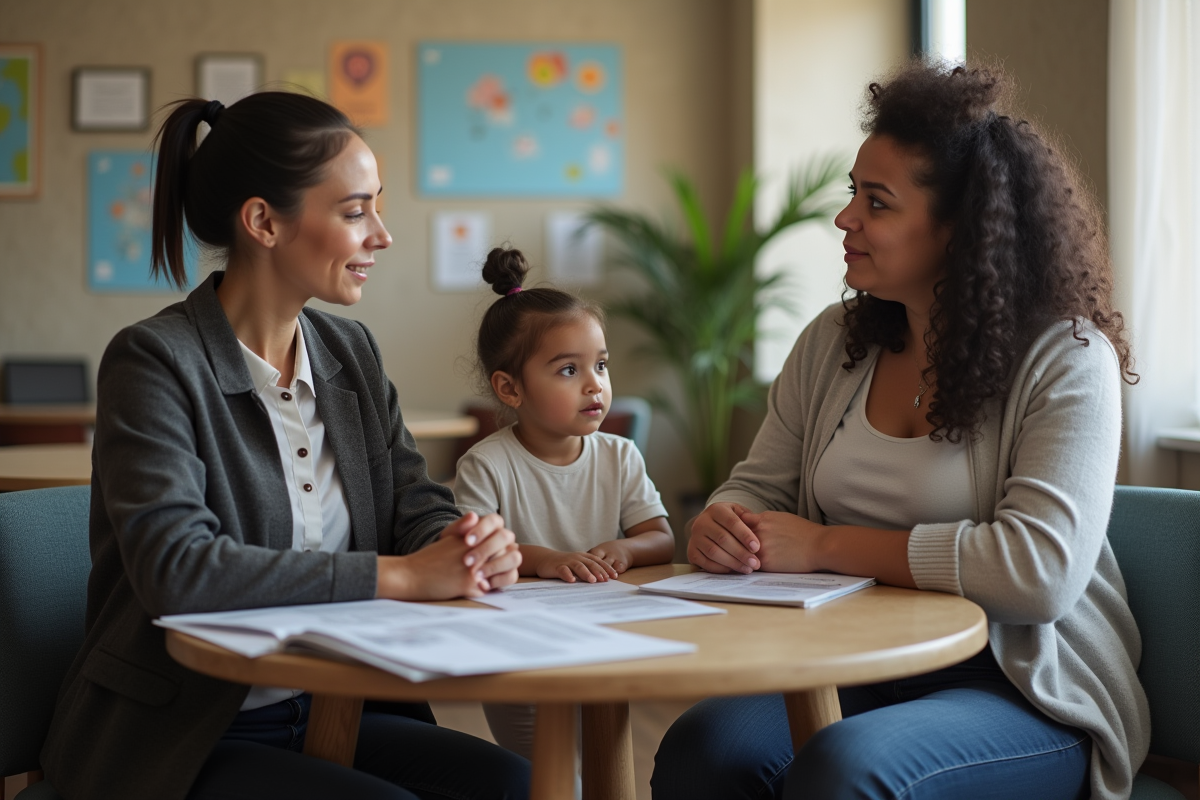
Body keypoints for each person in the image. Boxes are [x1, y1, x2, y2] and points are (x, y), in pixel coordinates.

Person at [651, 62, 1150, 800]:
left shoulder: (1069, 360)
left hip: (1022, 685)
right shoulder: (832, 341)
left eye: (875, 202)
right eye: (853, 192)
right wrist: (721, 525)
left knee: (848, 769)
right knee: (704, 748)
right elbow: (756, 490)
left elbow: (1036, 573)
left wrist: (822, 545)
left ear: (962, 231)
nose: (845, 218)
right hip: (853, 663)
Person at [39, 93, 529, 800]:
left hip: (334, 704)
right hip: (184, 734)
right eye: (355, 211)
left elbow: (411, 505)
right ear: (264, 221)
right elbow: (177, 569)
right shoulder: (154, 360)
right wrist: (402, 576)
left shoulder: (351, 351)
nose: (382, 235)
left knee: (512, 785)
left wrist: (466, 543)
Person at [453, 246, 674, 758]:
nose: (595, 384)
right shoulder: (486, 464)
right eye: (568, 370)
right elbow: (475, 555)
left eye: (600, 364)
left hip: (603, 639)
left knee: (605, 755)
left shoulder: (620, 455)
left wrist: (626, 550)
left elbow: (660, 538)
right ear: (510, 388)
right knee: (543, 770)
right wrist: (549, 560)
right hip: (517, 648)